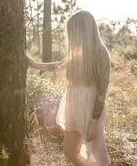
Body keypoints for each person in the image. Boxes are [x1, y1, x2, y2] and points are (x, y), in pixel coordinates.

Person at [26, 10, 111, 166]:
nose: (71, 35)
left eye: (73, 31)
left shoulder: (101, 52)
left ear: (83, 30)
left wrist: (94, 120)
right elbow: (58, 65)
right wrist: (34, 64)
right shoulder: (76, 52)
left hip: (91, 108)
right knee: (69, 150)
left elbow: (102, 91)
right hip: (74, 104)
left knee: (98, 156)